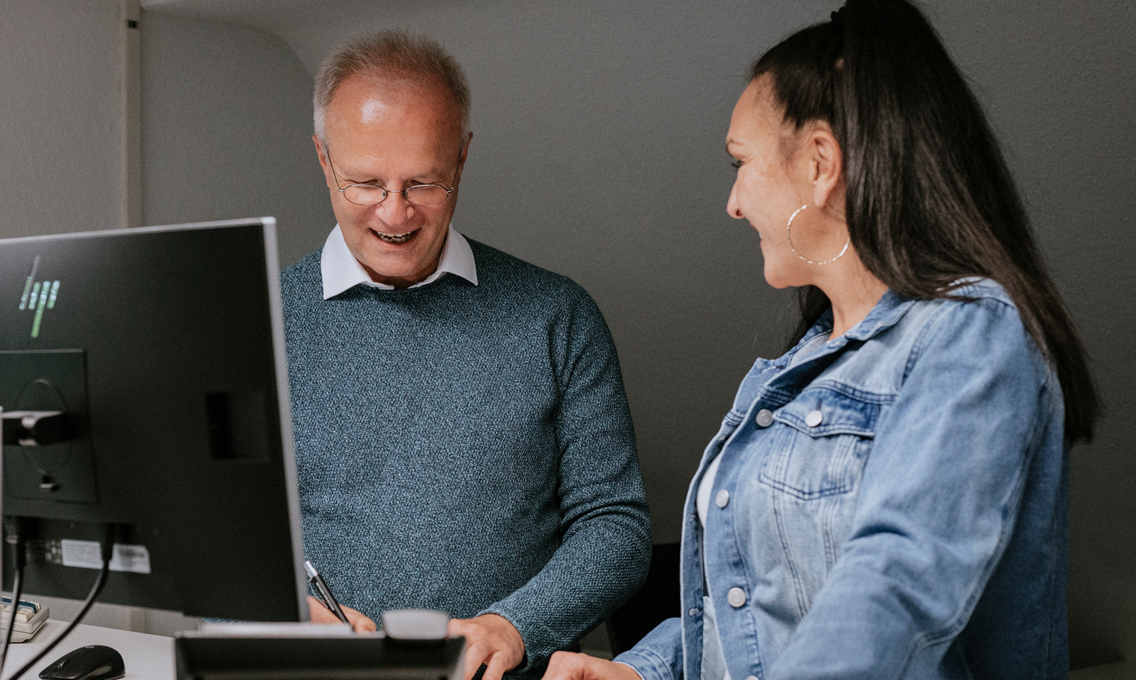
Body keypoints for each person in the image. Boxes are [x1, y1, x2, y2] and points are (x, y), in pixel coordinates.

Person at [542, 1, 1098, 678]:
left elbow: (892, 589)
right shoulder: (805, 363)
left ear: (820, 163)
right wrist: (643, 670)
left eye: (740, 164)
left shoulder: (969, 332)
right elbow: (759, 610)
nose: (734, 203)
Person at [280, 30, 651, 680]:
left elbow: (614, 526)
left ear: (462, 157)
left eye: (424, 181)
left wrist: (516, 625)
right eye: (365, 182)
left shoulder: (555, 316)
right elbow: (206, 545)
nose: (395, 214)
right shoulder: (264, 315)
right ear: (321, 158)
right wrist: (275, 613)